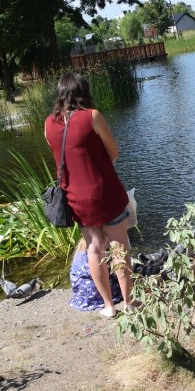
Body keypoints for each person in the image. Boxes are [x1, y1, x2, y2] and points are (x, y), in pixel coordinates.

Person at [45, 73, 137, 318]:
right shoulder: (92, 116)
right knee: (119, 246)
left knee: (94, 248)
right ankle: (128, 303)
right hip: (104, 192)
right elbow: (114, 153)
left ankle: (108, 306)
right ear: (83, 91)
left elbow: (62, 158)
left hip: (75, 197)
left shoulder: (48, 124)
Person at [69, 239, 123, 311]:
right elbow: (114, 274)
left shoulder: (80, 254)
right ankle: (108, 300)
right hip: (98, 291)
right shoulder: (100, 256)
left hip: (82, 294)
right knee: (120, 278)